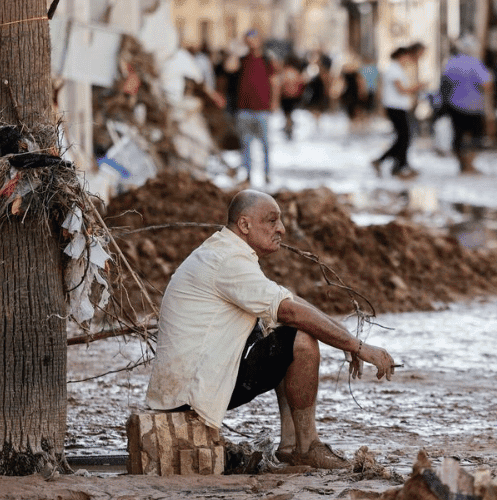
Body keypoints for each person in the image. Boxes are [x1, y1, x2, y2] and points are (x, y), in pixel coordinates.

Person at [147, 190, 397, 469]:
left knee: (285, 329)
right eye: (271, 221)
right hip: (191, 393)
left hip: (186, 387)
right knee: (299, 338)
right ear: (244, 225)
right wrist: (357, 348)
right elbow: (291, 311)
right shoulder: (228, 261)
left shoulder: (226, 252)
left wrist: (349, 340)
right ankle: (305, 446)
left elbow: (289, 300)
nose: (282, 229)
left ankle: (290, 446)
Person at [440, 36, 492, 175]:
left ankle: (462, 165)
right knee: (475, 136)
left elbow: (445, 83)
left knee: (458, 136)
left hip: (454, 105)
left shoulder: (451, 63)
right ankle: (469, 165)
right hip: (474, 106)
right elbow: (486, 84)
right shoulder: (475, 63)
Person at [372, 46, 424, 179]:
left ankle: (397, 165)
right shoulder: (393, 69)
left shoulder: (397, 69)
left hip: (399, 107)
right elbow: (401, 89)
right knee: (404, 137)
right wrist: (417, 87)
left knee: (404, 138)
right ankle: (386, 162)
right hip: (395, 107)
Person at [236, 29, 278, 184]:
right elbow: (229, 68)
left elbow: (274, 83)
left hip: (262, 109)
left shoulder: (268, 59)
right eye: (248, 39)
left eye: (253, 39)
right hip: (244, 109)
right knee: (245, 145)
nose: (251, 42)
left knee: (265, 145)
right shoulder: (242, 59)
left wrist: (274, 102)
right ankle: (247, 175)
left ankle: (267, 174)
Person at [280, 54, 306, 141]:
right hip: (294, 96)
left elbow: (281, 84)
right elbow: (301, 83)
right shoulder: (296, 72)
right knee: (289, 114)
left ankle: (289, 126)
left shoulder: (284, 71)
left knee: (287, 114)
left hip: (286, 97)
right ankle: (289, 126)